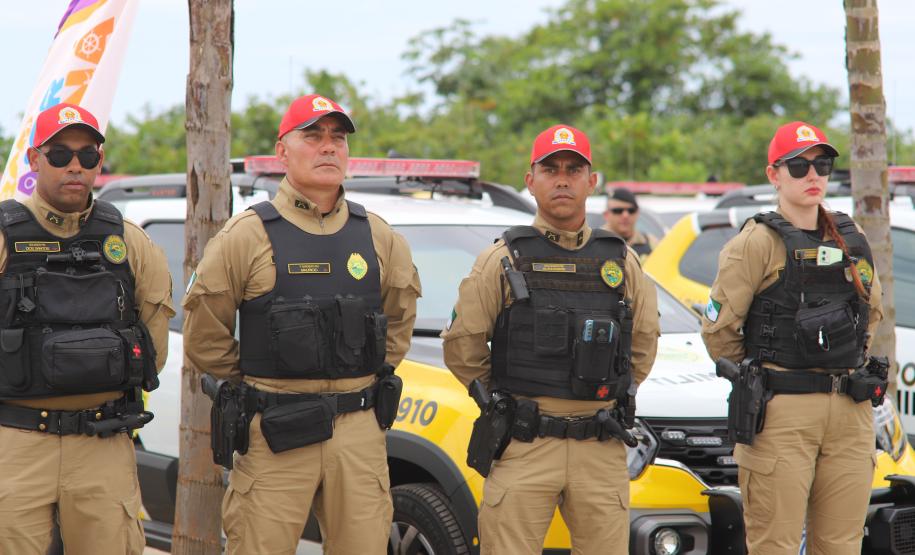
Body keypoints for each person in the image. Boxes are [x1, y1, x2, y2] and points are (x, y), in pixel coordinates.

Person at [182, 94, 421, 554]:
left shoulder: (379, 236)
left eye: (337, 138)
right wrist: (262, 385)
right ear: (282, 151)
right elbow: (206, 338)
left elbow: (398, 325)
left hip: (357, 432)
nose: (328, 147)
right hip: (276, 430)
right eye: (312, 136)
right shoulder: (246, 235)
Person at [442, 124, 660, 554]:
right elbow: (463, 346)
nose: (563, 178)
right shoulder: (503, 259)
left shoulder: (621, 261)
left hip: (600, 446)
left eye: (574, 169)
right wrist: (502, 403)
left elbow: (644, 345)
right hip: (526, 443)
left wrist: (608, 392)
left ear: (591, 181)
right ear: (531, 180)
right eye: (551, 168)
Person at [701, 121, 885, 554]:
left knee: (841, 546)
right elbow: (719, 330)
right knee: (775, 545)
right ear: (774, 174)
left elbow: (870, 313)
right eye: (799, 166)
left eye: (822, 164)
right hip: (782, 412)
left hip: (849, 412)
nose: (813, 175)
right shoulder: (757, 241)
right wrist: (763, 375)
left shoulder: (850, 236)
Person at [0, 103, 174, 554]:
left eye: (87, 154)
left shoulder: (129, 241)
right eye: (59, 154)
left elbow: (154, 342)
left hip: (103, 446)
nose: (74, 165)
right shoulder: (4, 235)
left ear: (100, 158)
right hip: (15, 444)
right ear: (35, 159)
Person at [602, 187, 658, 258]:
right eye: (618, 211)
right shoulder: (593, 244)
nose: (625, 215)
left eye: (631, 210)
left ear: (637, 213)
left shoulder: (651, 243)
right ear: (606, 215)